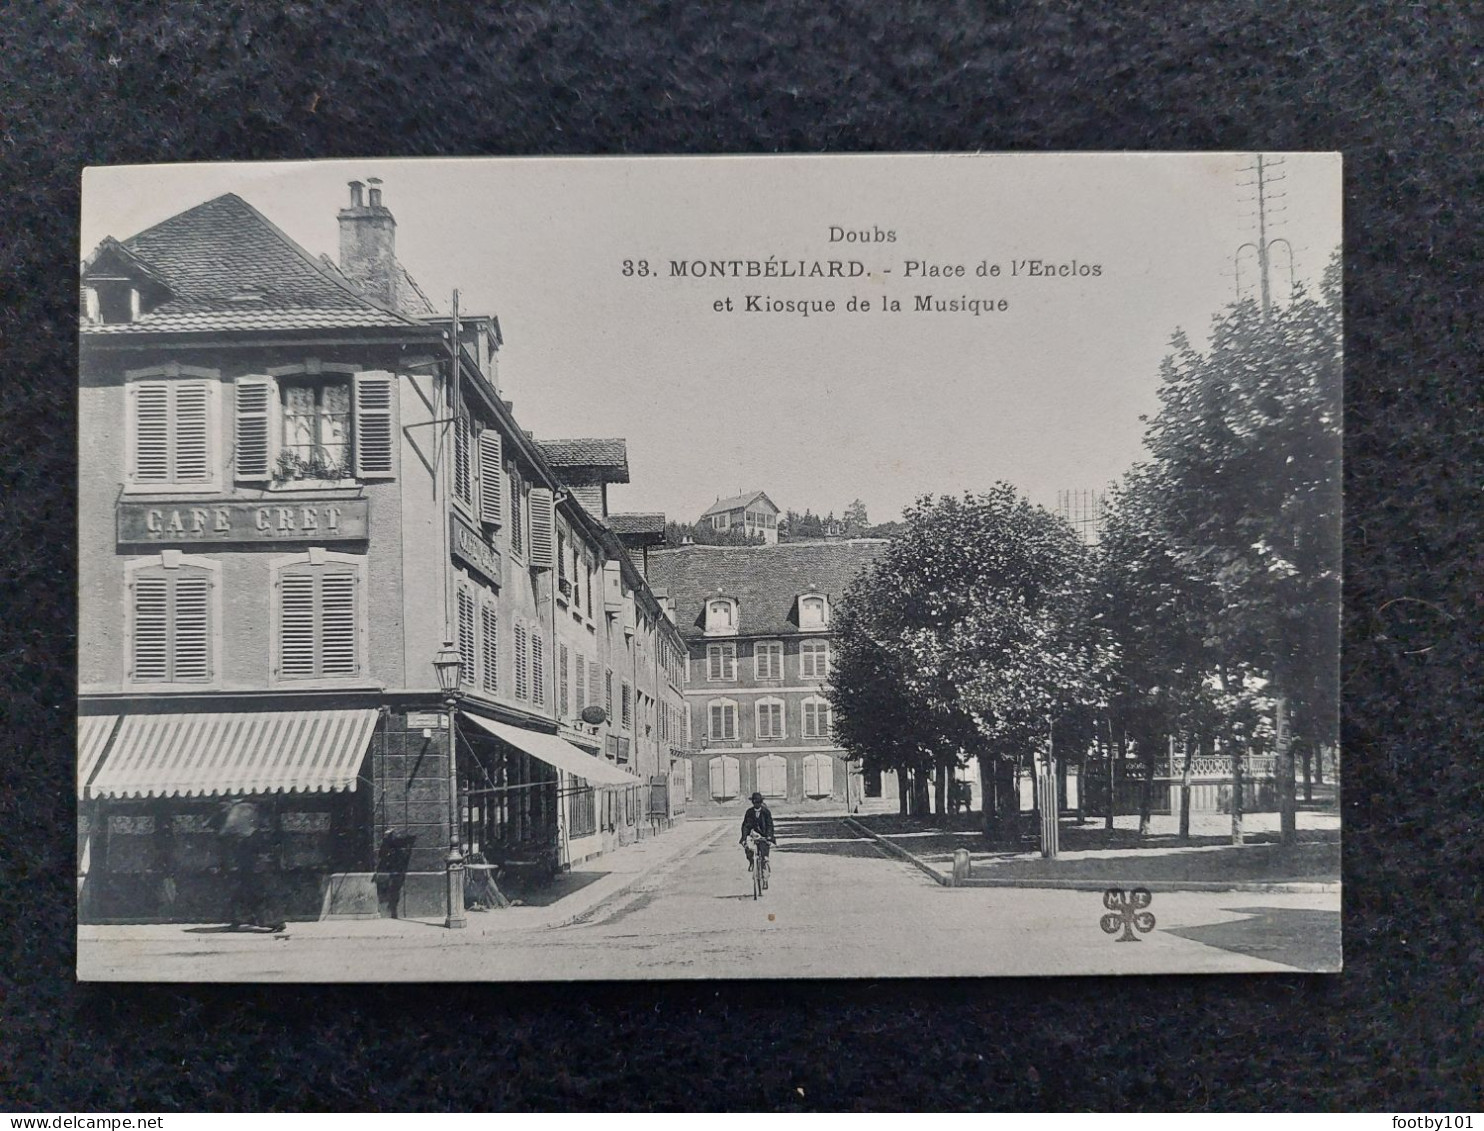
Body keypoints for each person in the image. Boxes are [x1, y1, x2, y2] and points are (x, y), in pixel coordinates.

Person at [739, 791, 776, 873]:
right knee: (747, 847)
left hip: (764, 834)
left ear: (761, 802)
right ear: (752, 802)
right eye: (755, 802)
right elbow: (745, 825)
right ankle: (751, 862)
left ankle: (765, 868)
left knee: (764, 854)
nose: (756, 804)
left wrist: (769, 836)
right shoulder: (749, 812)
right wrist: (744, 837)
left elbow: (770, 825)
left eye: (758, 802)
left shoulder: (766, 812)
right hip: (753, 834)